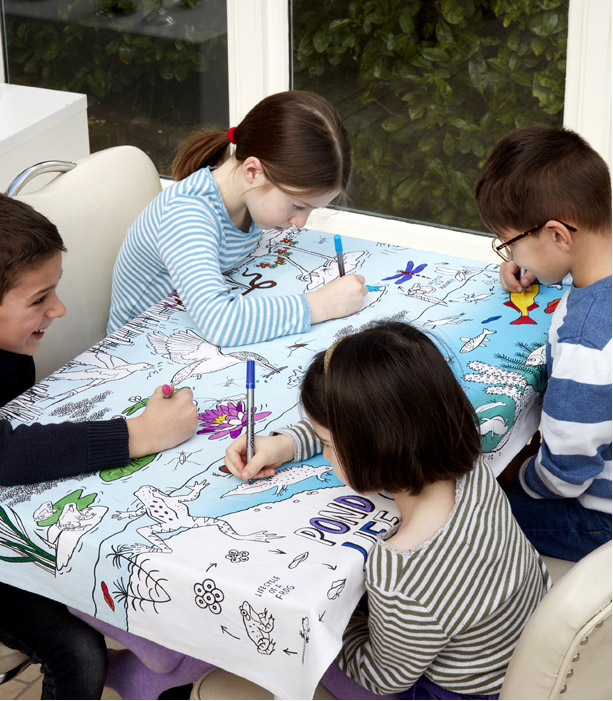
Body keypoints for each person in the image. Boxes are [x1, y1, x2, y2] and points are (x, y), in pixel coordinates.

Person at [0, 188, 199, 699]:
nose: (59, 309)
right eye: (40, 299)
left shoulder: (5, 340)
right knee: (78, 652)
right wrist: (140, 433)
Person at [225, 321, 551, 699]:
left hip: (459, 691)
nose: (325, 452)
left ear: (372, 448)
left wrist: (335, 626)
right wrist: (285, 444)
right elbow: (371, 418)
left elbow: (382, 678)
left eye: (327, 443)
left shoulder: (401, 571)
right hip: (522, 641)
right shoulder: (468, 462)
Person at [108, 90, 368, 346]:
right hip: (137, 345)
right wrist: (322, 304)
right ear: (252, 171)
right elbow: (220, 323)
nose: (300, 223)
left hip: (183, 325)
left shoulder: (247, 202)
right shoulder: (186, 216)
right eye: (297, 206)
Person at [475, 124, 612, 561]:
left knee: (468, 514)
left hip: (599, 520)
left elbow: (566, 476)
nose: (511, 256)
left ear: (558, 236)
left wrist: (516, 475)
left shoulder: (584, 342)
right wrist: (541, 264)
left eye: (510, 243)